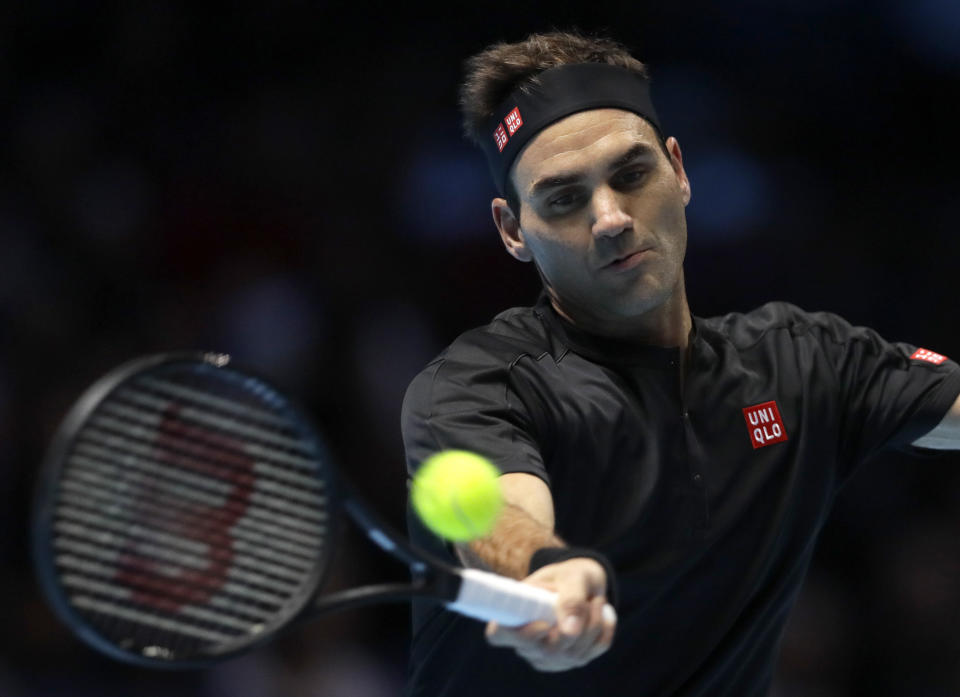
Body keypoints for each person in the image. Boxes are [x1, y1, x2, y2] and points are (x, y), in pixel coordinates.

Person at [400, 30, 960, 696]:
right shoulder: (476, 384)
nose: (610, 218)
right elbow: (497, 513)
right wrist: (546, 570)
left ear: (679, 170)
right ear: (513, 230)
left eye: (631, 174)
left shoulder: (802, 363)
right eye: (563, 199)